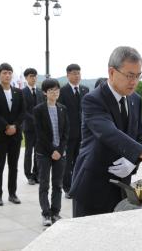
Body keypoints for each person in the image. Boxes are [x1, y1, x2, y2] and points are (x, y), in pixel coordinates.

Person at [70, 46, 142, 217]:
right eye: (129, 75)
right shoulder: (93, 100)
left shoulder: (135, 99)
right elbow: (108, 133)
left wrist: (133, 162)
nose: (134, 81)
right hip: (93, 186)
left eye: (138, 76)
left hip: (122, 188)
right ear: (112, 72)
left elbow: (139, 137)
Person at [0, 63, 25, 206]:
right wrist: (6, 126)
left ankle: (12, 194)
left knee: (13, 165)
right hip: (0, 134)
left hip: (15, 134)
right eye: (4, 73)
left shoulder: (18, 92)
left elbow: (23, 111)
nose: (7, 75)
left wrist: (15, 126)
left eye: (9, 73)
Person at [34, 78, 69, 226]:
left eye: (56, 90)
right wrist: (52, 150)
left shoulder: (63, 108)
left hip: (60, 153)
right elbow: (39, 133)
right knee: (44, 184)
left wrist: (59, 150)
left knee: (58, 184)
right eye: (51, 90)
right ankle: (46, 214)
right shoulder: (39, 110)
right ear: (44, 92)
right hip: (44, 153)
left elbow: (66, 132)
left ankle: (55, 212)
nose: (54, 92)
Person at [58, 63, 89, 198]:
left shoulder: (85, 90)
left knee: (80, 161)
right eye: (74, 73)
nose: (77, 76)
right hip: (68, 133)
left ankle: (78, 185)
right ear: (68, 75)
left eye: (79, 73)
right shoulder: (62, 91)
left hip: (83, 133)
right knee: (67, 161)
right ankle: (67, 187)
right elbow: (61, 114)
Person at [22, 68, 44, 185]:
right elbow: (23, 111)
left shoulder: (40, 92)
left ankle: (37, 174)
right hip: (29, 127)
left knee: (38, 152)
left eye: (35, 76)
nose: (34, 78)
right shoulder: (22, 92)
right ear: (26, 78)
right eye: (31, 76)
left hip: (39, 128)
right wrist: (34, 119)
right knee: (28, 151)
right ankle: (28, 175)